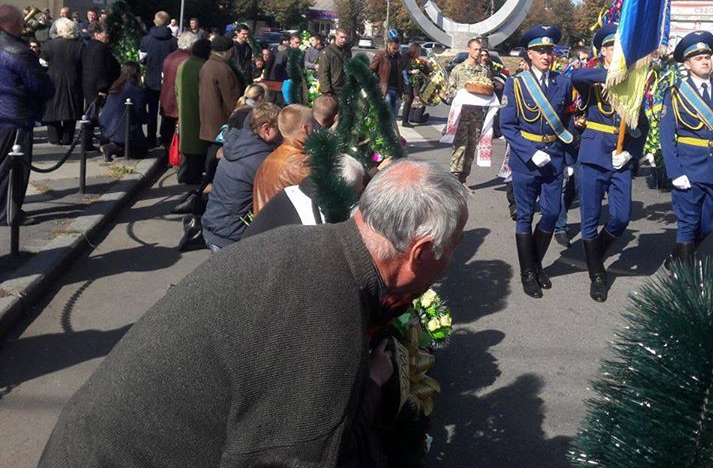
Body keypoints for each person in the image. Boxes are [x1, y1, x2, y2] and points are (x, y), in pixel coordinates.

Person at [39, 160, 466, 467]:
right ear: (421, 252)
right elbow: (290, 457)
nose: (450, 262)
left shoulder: (313, 250)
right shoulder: (323, 311)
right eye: (453, 249)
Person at [570, 24, 643, 302]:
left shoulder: (633, 85)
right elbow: (576, 75)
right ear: (602, 52)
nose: (618, 53)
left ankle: (595, 253)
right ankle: (597, 275)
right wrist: (613, 74)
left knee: (622, 217)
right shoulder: (593, 78)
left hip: (619, 156)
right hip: (593, 155)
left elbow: (641, 122)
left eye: (621, 49)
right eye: (613, 48)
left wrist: (631, 152)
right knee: (589, 218)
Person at [500, 25, 574, 298]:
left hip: (554, 157)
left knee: (552, 213)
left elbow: (566, 124)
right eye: (541, 51)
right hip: (526, 160)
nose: (546, 55)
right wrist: (531, 153)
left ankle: (536, 263)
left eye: (550, 50)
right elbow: (507, 126)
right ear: (529, 54)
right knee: (525, 216)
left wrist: (566, 157)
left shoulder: (562, 82)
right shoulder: (516, 83)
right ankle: (528, 273)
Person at [660, 31, 713, 264]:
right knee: (687, 224)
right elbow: (667, 137)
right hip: (688, 168)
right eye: (698, 58)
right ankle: (685, 280)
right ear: (687, 64)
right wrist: (675, 173)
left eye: (707, 56)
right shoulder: (675, 94)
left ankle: (675, 258)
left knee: (706, 225)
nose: (705, 61)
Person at [0, 4, 54, 226]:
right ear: (14, 24)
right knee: (15, 169)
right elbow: (42, 87)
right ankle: (7, 213)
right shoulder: (19, 51)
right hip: (14, 117)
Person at [201, 102, 281, 250]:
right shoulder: (260, 160)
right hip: (232, 237)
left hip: (214, 225)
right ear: (266, 129)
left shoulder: (237, 144)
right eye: (280, 129)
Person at [445, 37, 492, 188]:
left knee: (471, 147)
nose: (478, 52)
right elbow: (450, 90)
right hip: (461, 115)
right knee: (460, 147)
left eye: (480, 50)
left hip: (477, 116)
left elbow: (487, 87)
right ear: (468, 50)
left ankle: (464, 179)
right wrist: (463, 93)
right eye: (476, 49)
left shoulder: (484, 70)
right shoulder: (458, 69)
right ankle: (454, 179)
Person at [252, 104, 313, 214]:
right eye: (313, 125)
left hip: (265, 228)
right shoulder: (301, 165)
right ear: (305, 128)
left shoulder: (268, 160)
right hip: (284, 229)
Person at [41, 17, 84, 146]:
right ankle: (67, 138)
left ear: (59, 30)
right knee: (70, 110)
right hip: (73, 80)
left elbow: (42, 63)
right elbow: (83, 65)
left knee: (52, 110)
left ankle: (54, 137)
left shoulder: (48, 45)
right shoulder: (79, 46)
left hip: (52, 79)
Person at [80, 23, 120, 150]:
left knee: (90, 114)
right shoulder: (101, 49)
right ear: (97, 34)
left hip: (89, 85)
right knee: (101, 115)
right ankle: (103, 142)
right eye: (104, 33)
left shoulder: (88, 47)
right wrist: (103, 88)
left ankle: (87, 142)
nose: (107, 36)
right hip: (99, 87)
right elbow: (103, 69)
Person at [175, 38, 210, 185]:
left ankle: (184, 174)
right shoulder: (203, 67)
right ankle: (193, 177)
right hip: (199, 111)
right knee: (197, 146)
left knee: (187, 145)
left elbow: (176, 88)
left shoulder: (184, 64)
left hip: (184, 108)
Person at [98, 62, 149, 161]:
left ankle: (113, 145)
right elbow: (141, 115)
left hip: (106, 128)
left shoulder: (116, 85)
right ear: (136, 74)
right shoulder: (136, 90)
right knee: (142, 150)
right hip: (123, 129)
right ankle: (115, 148)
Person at [199, 36, 244, 148]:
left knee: (210, 156)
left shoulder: (207, 64)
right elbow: (232, 99)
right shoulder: (223, 69)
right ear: (227, 51)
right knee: (216, 157)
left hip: (207, 118)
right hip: (221, 123)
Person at [140, 10, 176, 147]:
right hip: (168, 81)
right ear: (168, 23)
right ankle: (166, 137)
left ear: (155, 21)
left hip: (150, 80)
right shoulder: (174, 42)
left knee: (152, 111)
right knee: (167, 110)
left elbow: (142, 60)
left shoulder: (146, 40)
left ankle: (150, 138)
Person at [160, 31, 198, 158]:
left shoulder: (169, 57)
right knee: (179, 133)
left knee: (167, 131)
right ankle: (176, 158)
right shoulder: (188, 60)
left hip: (167, 98)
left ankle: (167, 155)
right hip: (179, 100)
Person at [370, 37, 404, 116]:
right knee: (387, 111)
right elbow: (371, 69)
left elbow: (402, 75)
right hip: (385, 89)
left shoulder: (399, 58)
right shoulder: (381, 56)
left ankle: (391, 127)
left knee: (394, 113)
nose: (396, 50)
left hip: (397, 89)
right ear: (388, 45)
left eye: (398, 48)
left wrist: (404, 91)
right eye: (394, 48)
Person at [317, 27, 351, 96]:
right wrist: (326, 91)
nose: (344, 40)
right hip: (332, 90)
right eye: (341, 37)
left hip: (345, 88)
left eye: (346, 38)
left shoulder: (347, 51)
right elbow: (323, 72)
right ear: (336, 36)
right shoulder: (327, 52)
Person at [400, 42, 422, 127]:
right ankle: (404, 121)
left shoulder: (412, 58)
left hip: (409, 81)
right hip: (405, 81)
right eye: (418, 51)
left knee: (410, 99)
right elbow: (403, 69)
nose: (419, 53)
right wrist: (412, 71)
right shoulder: (406, 57)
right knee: (408, 100)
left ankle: (405, 119)